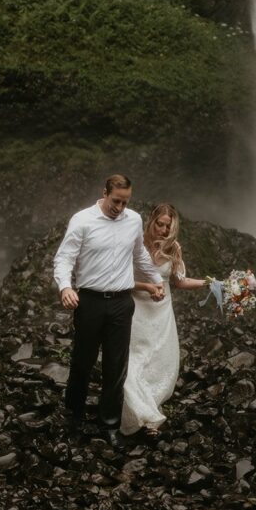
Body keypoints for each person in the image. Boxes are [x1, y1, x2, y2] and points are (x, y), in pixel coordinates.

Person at [53, 174, 164, 438]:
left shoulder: (134, 220)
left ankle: (110, 425)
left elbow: (140, 255)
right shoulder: (82, 220)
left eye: (125, 202)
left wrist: (157, 280)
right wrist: (65, 287)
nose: (120, 208)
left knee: (116, 366)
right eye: (116, 201)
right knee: (83, 361)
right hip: (89, 300)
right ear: (105, 193)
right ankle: (74, 417)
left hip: (121, 302)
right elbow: (64, 258)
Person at [121, 203, 206, 436]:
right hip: (137, 308)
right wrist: (147, 287)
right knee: (134, 360)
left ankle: (148, 408)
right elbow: (122, 278)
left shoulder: (174, 248)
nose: (164, 230)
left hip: (162, 312)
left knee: (159, 362)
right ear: (151, 221)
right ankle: (143, 413)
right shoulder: (136, 243)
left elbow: (179, 281)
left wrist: (208, 283)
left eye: (169, 226)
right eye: (160, 224)